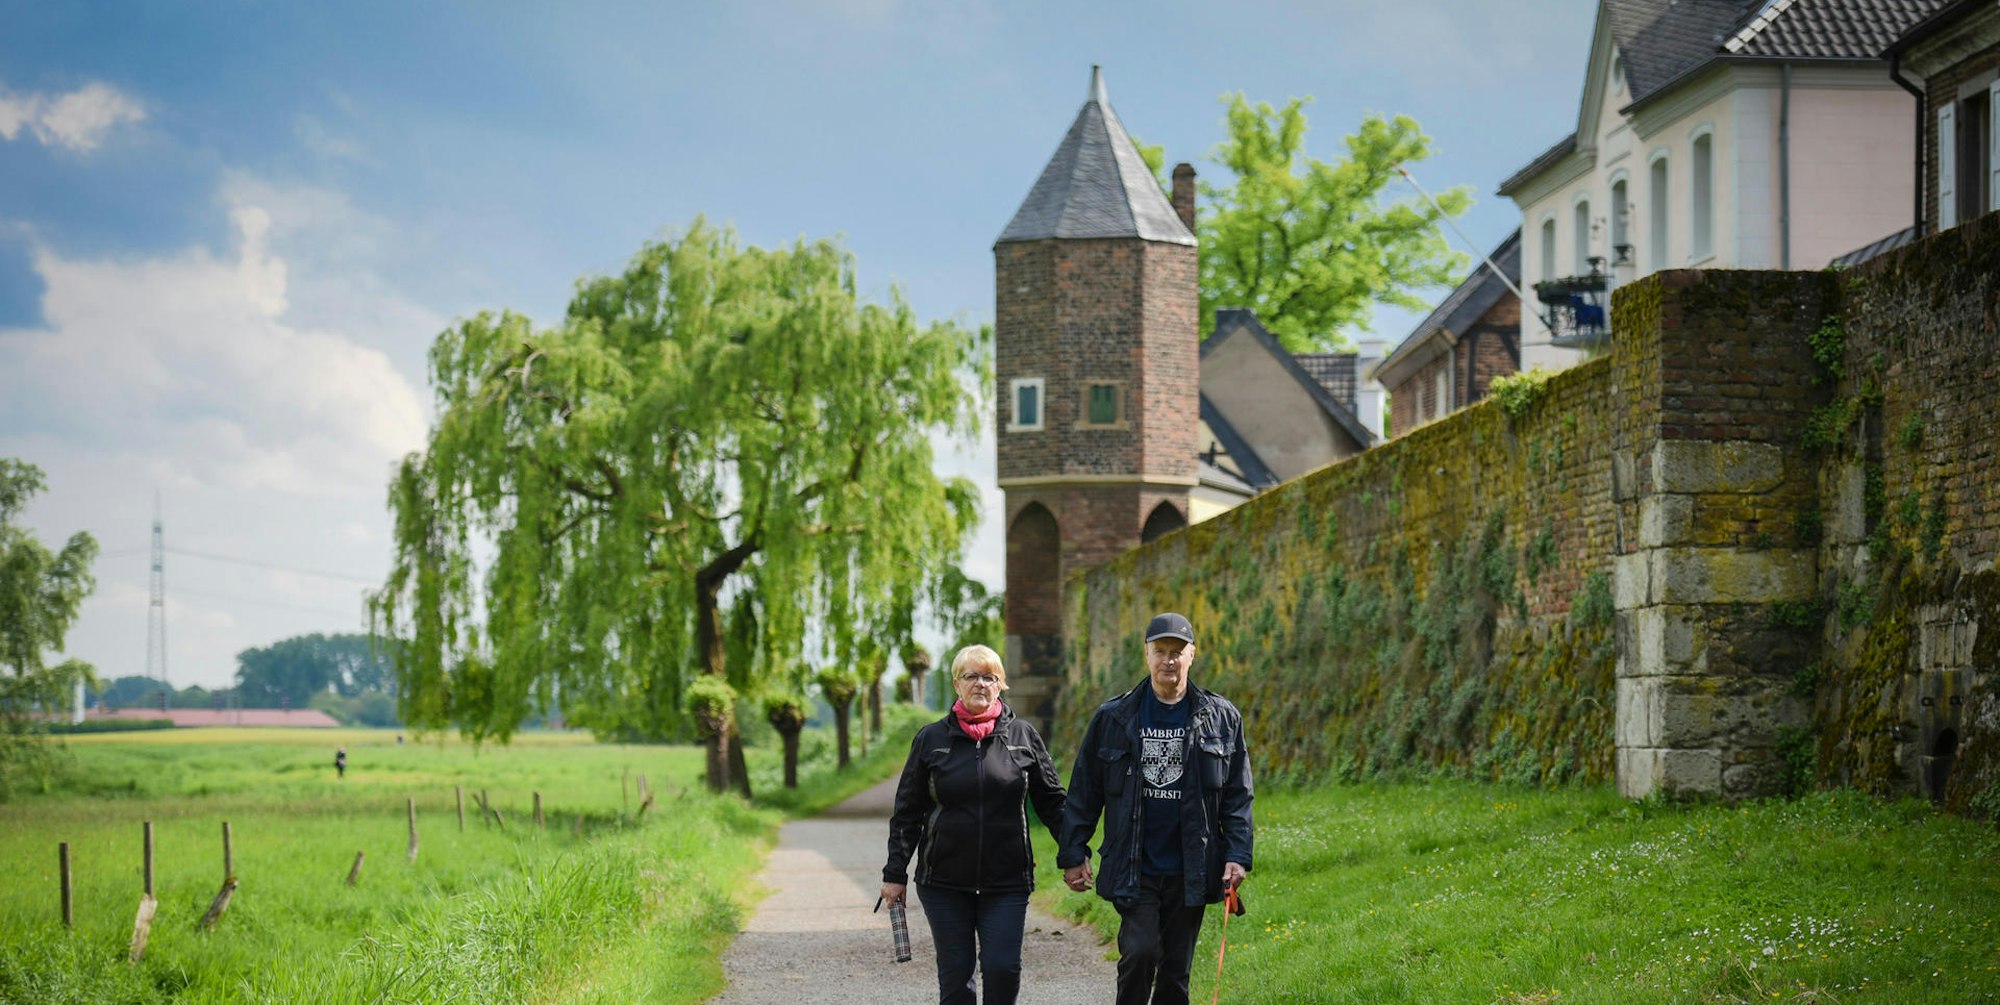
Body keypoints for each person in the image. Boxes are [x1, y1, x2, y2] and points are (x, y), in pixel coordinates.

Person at [1058, 613, 1254, 1005]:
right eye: (1160, 651)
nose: (1169, 660)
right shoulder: (1114, 717)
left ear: (1192, 656)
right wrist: (1073, 851)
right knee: (1140, 953)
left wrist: (1237, 855)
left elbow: (1237, 794)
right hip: (1136, 865)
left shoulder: (1221, 717)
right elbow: (1084, 790)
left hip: (1191, 867)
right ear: (1146, 655)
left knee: (1175, 973)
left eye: (1177, 652)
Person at [882, 644, 1067, 1005]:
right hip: (944, 883)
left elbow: (1053, 801)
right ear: (956, 684)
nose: (980, 684)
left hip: (1007, 880)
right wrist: (895, 873)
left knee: (1002, 969)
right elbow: (908, 810)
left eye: (989, 677)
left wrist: (1073, 852)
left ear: (1001, 685)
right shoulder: (931, 740)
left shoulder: (1023, 737)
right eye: (971, 676)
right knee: (956, 979)